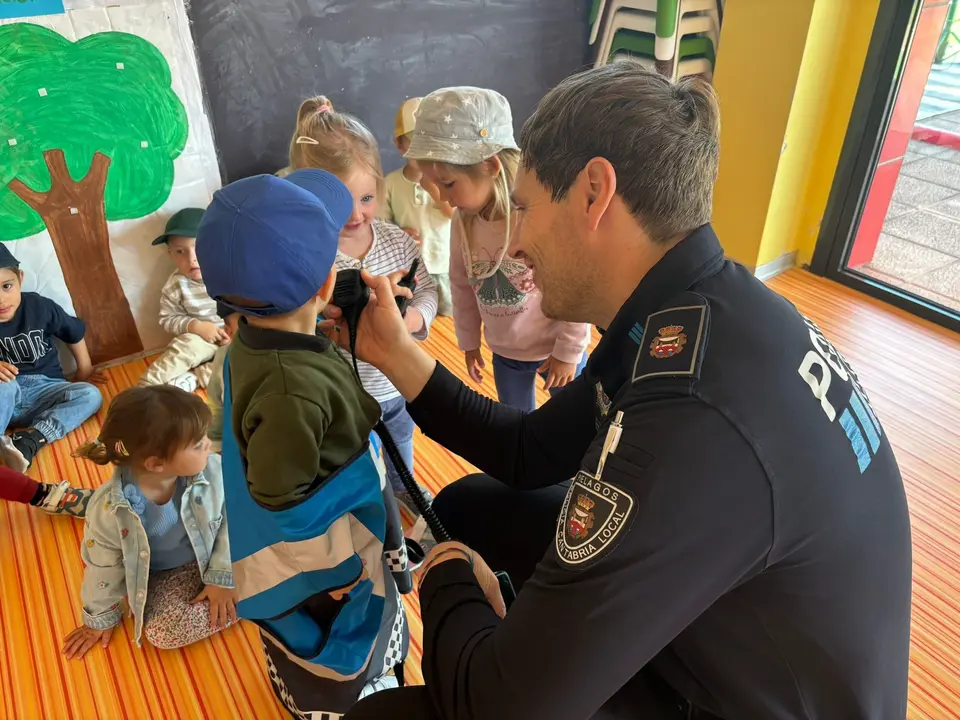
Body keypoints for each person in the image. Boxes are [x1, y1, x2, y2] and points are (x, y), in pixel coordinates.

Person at [335, 62, 913, 719]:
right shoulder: (693, 311)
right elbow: (528, 452)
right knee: (472, 505)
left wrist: (441, 576)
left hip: (730, 695)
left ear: (593, 192)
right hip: (726, 633)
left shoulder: (696, 414)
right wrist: (393, 352)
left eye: (524, 207)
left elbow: (497, 708)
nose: (515, 242)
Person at [195, 169, 413, 718]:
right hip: (329, 570)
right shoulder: (293, 390)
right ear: (320, 287)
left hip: (324, 552)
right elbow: (282, 498)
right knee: (347, 645)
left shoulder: (251, 340)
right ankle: (357, 689)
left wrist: (329, 301)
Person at [289, 95, 438, 509]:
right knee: (353, 461)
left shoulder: (397, 240)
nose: (356, 215)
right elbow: (297, 325)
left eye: (367, 198)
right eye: (339, 203)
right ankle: (372, 503)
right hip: (342, 395)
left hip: (397, 384)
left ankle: (404, 486)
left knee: (401, 443)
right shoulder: (305, 254)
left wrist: (412, 323)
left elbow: (427, 291)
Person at [406, 86, 591, 413]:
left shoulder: (538, 216)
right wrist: (469, 342)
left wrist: (568, 352)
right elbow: (462, 285)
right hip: (506, 353)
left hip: (557, 350)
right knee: (516, 425)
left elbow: (574, 282)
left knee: (578, 421)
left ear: (490, 166)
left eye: (448, 184)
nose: (443, 198)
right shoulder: (463, 222)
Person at [60, 385, 234, 660]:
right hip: (166, 574)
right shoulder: (109, 510)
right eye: (199, 444)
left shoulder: (213, 469)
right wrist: (99, 619)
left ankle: (245, 592)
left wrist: (223, 577)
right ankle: (254, 595)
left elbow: (233, 522)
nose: (210, 445)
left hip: (221, 554)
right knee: (160, 633)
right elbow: (103, 568)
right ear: (156, 464)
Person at [0, 245, 103, 471]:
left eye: (6, 286)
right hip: (6, 392)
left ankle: (30, 440)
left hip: (45, 390)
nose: (1, 299)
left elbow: (73, 332)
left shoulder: (38, 306)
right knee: (3, 387)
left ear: (20, 279)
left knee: (91, 395)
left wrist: (84, 369)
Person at [381, 97, 456, 317]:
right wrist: (398, 233)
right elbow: (380, 224)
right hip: (408, 269)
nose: (423, 152)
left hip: (445, 265)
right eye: (415, 143)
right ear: (399, 144)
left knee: (450, 318)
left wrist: (433, 185)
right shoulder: (391, 183)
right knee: (414, 316)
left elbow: (455, 213)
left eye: (430, 143)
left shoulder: (449, 179)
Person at [141, 208, 228, 393]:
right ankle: (146, 388)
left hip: (234, 337)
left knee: (241, 360)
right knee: (182, 349)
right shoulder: (176, 285)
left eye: (199, 248)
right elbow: (167, 319)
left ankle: (194, 378)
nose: (192, 259)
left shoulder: (231, 273)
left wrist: (235, 331)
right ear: (170, 253)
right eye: (180, 251)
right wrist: (196, 326)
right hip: (200, 339)